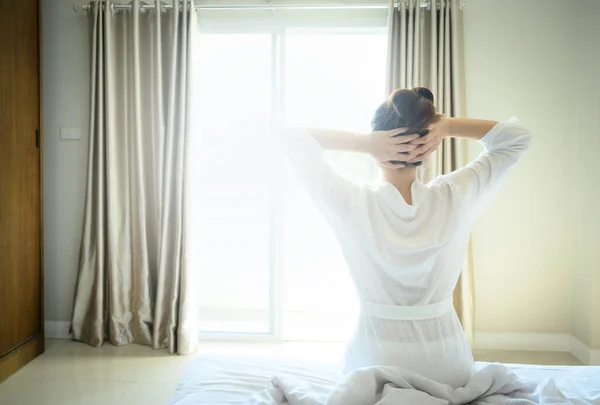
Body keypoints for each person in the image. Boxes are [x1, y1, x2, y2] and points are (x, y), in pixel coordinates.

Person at [282, 87, 532, 389]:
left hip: (372, 363)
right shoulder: (456, 194)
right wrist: (446, 126)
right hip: (447, 367)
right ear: (429, 147)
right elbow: (516, 137)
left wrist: (364, 144)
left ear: (378, 144)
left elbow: (289, 136)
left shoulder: (351, 200)